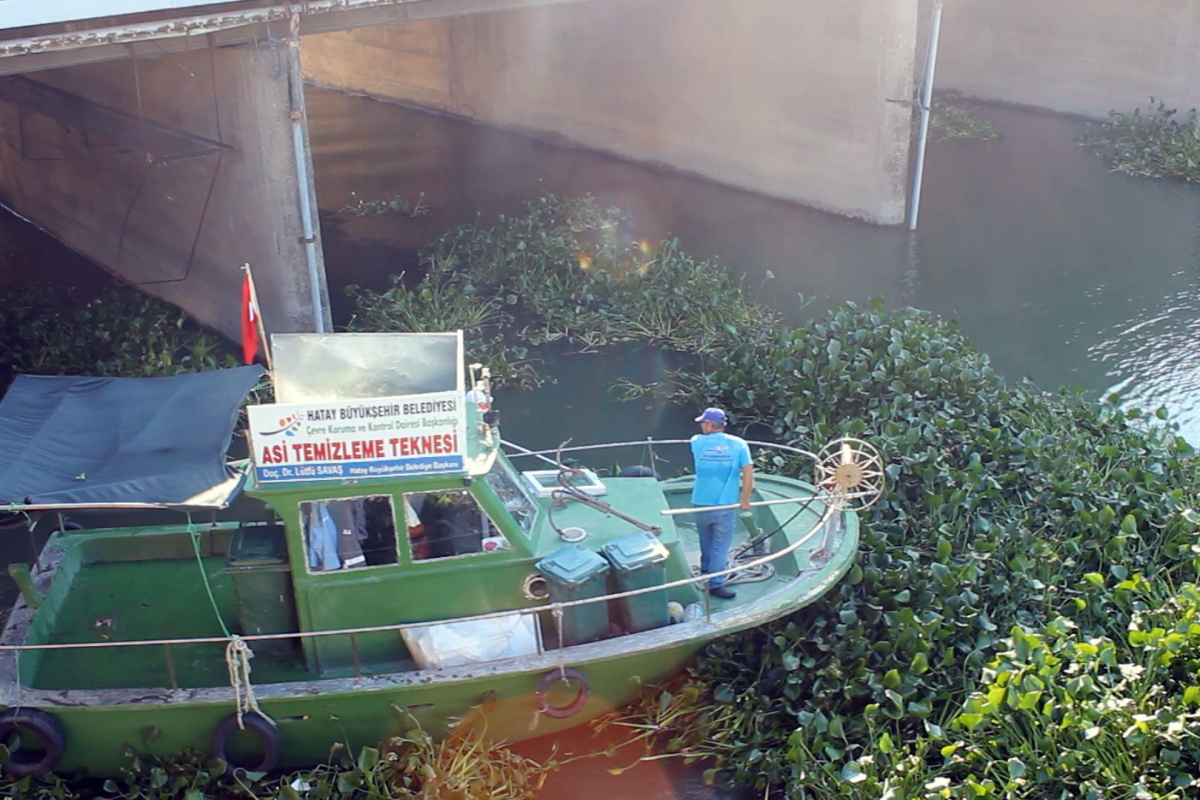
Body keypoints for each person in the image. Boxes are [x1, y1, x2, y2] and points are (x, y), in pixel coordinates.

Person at [690, 407, 753, 599]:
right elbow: (748, 473)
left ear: (709, 425)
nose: (701, 426)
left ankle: (706, 569)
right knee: (721, 546)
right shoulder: (739, 444)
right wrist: (745, 500)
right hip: (724, 505)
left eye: (703, 423)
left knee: (705, 539)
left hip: (699, 502)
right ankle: (715, 583)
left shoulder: (696, 442)